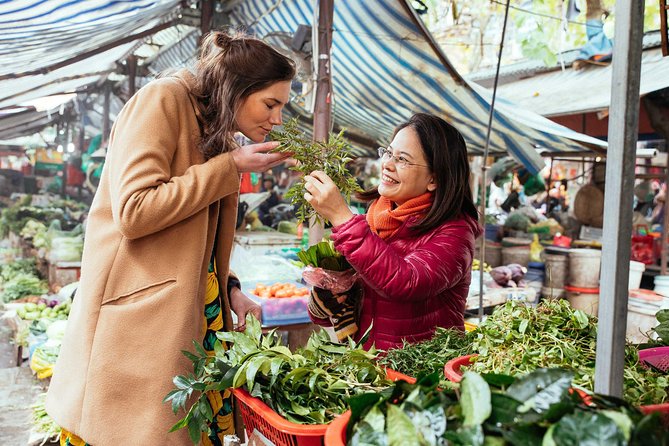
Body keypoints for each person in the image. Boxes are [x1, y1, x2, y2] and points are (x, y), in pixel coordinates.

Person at [45, 31, 296, 445]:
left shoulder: (216, 128)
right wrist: (229, 167)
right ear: (237, 89)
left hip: (190, 313)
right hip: (138, 320)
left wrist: (229, 287)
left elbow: (193, 235)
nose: (277, 119)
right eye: (271, 104)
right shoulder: (163, 100)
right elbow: (135, 211)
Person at [304, 113, 482, 350]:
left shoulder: (455, 232)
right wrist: (328, 298)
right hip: (369, 371)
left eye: (403, 159)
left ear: (434, 179)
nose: (387, 164)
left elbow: (406, 281)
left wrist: (340, 217)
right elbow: (344, 311)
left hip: (424, 376)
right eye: (388, 153)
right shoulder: (375, 219)